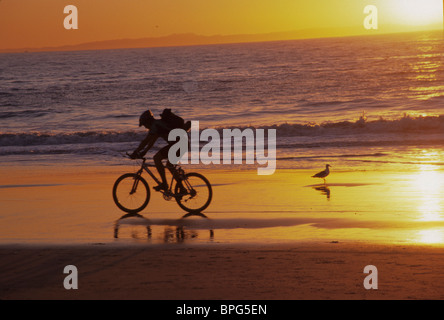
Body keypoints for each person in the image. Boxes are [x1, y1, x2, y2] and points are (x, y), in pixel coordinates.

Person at [129, 109, 183, 192]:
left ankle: (164, 184)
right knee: (170, 166)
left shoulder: (155, 125)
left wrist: (135, 152)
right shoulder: (158, 125)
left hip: (178, 145)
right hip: (181, 144)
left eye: (145, 124)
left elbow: (146, 141)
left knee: (156, 158)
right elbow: (151, 142)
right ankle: (182, 188)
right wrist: (144, 152)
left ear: (148, 121)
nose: (145, 127)